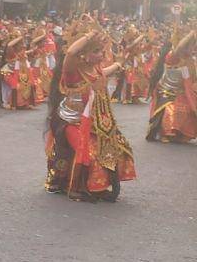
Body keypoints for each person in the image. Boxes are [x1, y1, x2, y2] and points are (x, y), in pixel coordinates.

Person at [45, 16, 135, 202]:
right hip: (72, 122)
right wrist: (91, 34)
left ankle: (99, 186)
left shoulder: (96, 69)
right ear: (83, 54)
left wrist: (119, 63)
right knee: (88, 152)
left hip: (96, 123)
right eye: (96, 51)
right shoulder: (71, 71)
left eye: (102, 51)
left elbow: (107, 71)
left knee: (118, 148)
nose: (101, 55)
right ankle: (74, 186)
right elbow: (70, 53)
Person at [147, 26, 196, 143]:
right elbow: (179, 48)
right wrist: (192, 32)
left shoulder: (190, 60)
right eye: (190, 45)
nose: (193, 48)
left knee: (191, 108)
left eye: (194, 45)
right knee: (173, 108)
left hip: (183, 91)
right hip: (167, 92)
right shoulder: (172, 56)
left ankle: (182, 132)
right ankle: (166, 132)